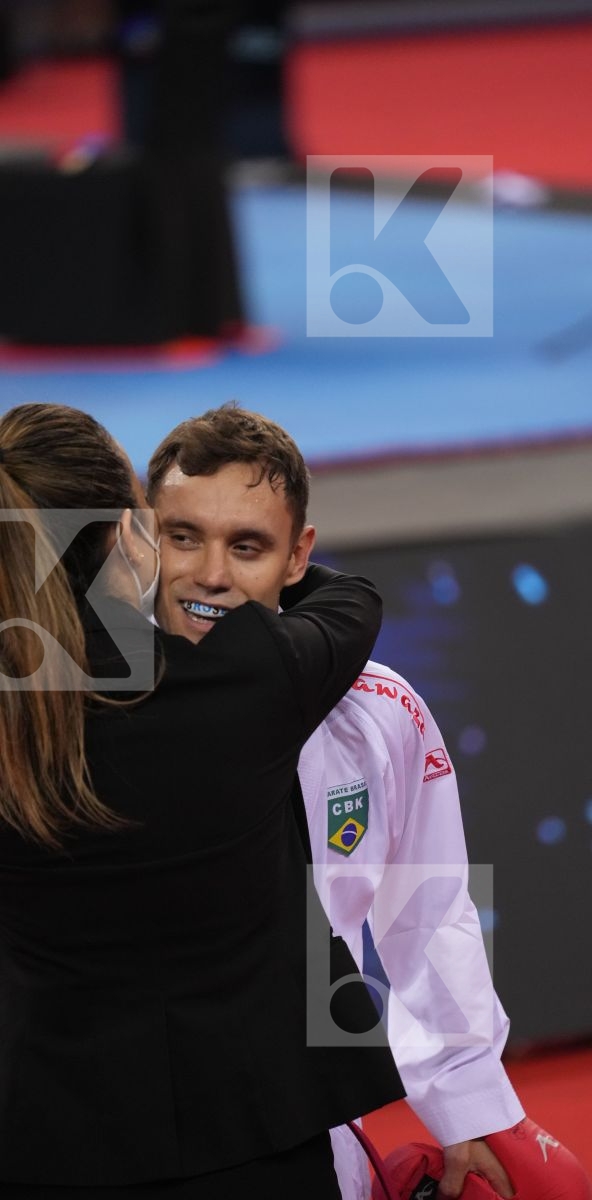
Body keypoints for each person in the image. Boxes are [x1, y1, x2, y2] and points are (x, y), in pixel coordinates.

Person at [0, 402, 404, 1198]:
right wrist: (267, 568)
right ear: (131, 534)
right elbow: (352, 603)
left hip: (44, 1144)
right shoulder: (250, 675)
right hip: (254, 1135)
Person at [147, 404, 537, 1200]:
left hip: (293, 1124)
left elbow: (426, 911)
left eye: (246, 546)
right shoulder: (72, 711)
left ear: (299, 556)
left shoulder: (378, 712)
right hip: (103, 1120)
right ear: (139, 539)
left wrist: (467, 1105)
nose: (210, 574)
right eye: (182, 536)